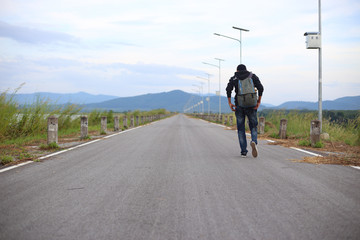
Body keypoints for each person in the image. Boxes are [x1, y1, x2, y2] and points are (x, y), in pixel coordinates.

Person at [226, 64, 264, 158]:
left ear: (237, 70)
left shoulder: (234, 78)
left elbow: (228, 89)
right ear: (246, 70)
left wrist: (230, 103)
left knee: (241, 129)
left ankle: (243, 151)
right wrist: (258, 101)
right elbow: (261, 88)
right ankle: (254, 141)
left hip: (239, 106)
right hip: (251, 105)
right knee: (253, 126)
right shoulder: (252, 76)